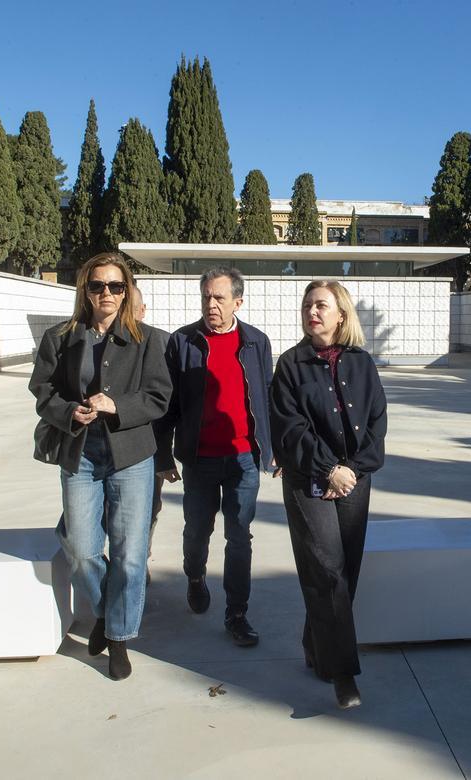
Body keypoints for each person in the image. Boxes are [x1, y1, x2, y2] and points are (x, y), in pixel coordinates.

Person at [28, 252, 170, 681]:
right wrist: (70, 411)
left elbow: (158, 397)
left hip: (130, 456)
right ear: (84, 290)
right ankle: (108, 614)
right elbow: (42, 390)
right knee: (84, 550)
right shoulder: (61, 337)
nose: (106, 293)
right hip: (81, 454)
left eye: (115, 286)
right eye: (97, 286)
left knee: (129, 557)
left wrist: (117, 406)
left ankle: (120, 637)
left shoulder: (149, 340)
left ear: (126, 291)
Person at [270, 280, 388, 710]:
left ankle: (314, 644)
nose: (312, 312)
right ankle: (343, 673)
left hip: (354, 481)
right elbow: (289, 428)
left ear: (341, 314)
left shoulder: (361, 363)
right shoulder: (289, 365)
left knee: (345, 575)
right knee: (327, 571)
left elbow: (377, 425)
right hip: (309, 481)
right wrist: (328, 469)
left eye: (321, 305)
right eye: (307, 306)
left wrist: (353, 470)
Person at [155, 268, 273, 648]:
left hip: (243, 459)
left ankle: (237, 613)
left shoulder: (257, 342)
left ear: (238, 301)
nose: (211, 304)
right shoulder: (182, 342)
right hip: (200, 459)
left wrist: (273, 451)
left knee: (239, 537)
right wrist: (163, 456)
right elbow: (167, 406)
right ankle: (194, 575)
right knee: (197, 530)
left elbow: (267, 402)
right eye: (206, 296)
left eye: (219, 298)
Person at [131, 285, 167, 585]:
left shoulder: (161, 342)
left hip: (148, 445)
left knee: (147, 509)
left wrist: (166, 455)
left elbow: (170, 403)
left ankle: (138, 561)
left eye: (133, 307)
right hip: (99, 449)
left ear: (144, 310)